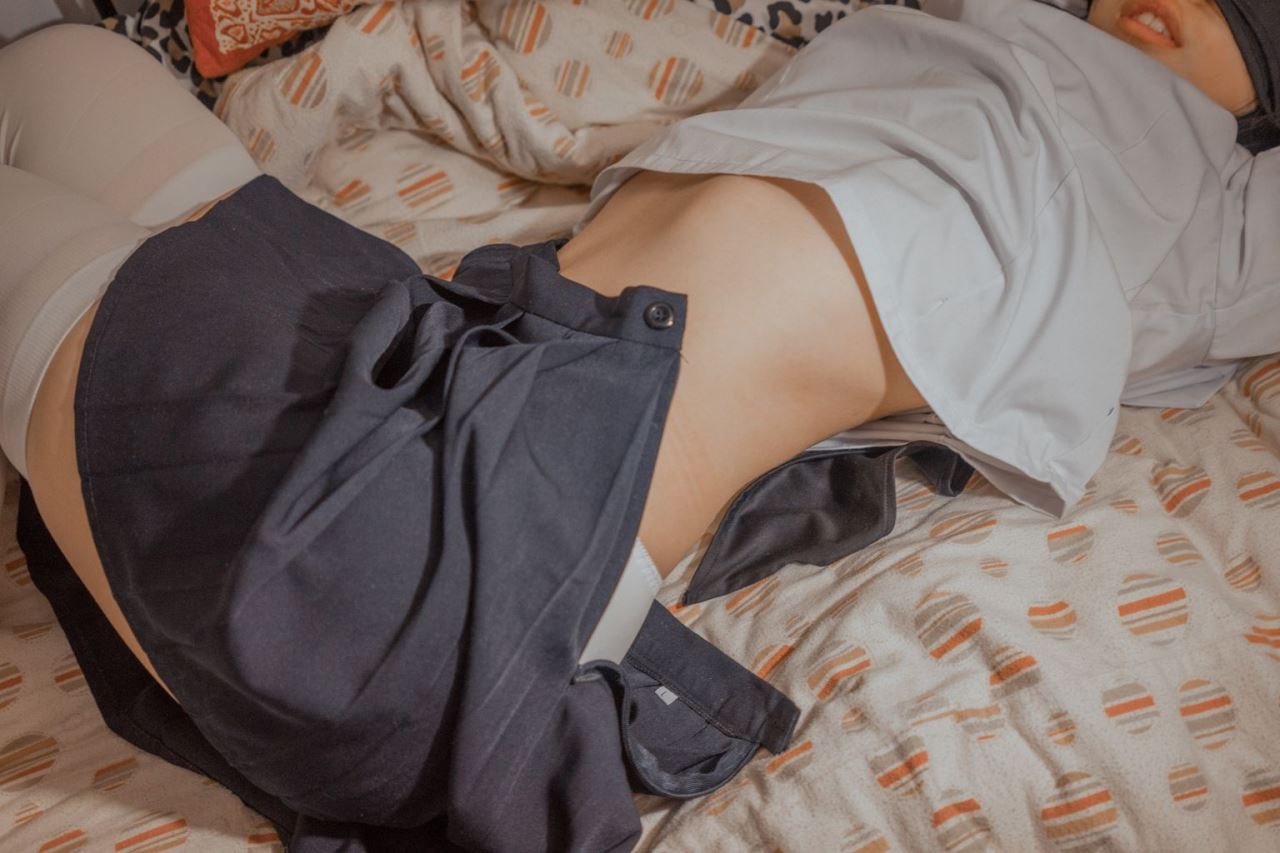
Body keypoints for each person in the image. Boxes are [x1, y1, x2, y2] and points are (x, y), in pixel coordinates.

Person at [1, 0, 1277, 849]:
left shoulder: (1209, 221)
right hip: (413, 355)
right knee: (61, 69)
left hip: (431, 553)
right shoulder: (953, 31)